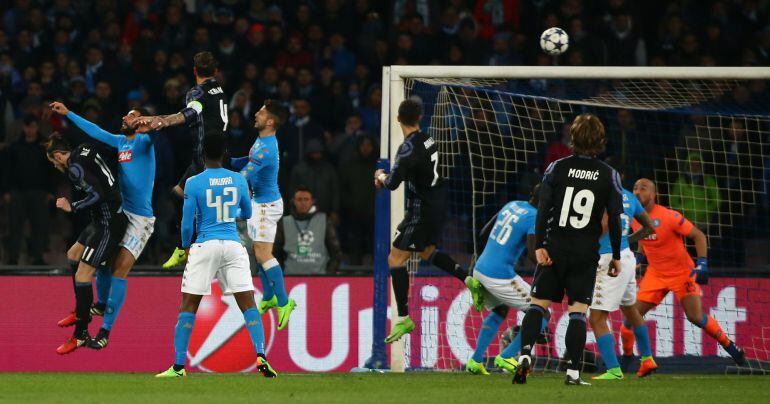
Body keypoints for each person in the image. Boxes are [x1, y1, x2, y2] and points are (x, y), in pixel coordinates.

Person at [513, 114, 623, 386]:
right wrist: (617, 255)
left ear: (573, 138)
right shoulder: (609, 175)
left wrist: (539, 245)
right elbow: (616, 219)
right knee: (577, 311)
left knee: (538, 305)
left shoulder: (556, 168)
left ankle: (525, 354)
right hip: (585, 253)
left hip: (554, 248)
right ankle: (573, 373)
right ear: (600, 141)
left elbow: (542, 209)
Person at [155, 134, 276, 378]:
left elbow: (187, 223)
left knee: (189, 304)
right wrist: (232, 211)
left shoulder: (193, 183)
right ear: (224, 154)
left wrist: (186, 246)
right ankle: (261, 355)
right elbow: (248, 211)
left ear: (202, 155)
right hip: (233, 244)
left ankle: (178, 367)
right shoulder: (238, 180)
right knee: (248, 303)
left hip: (205, 245)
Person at [374, 99, 483, 344]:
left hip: (422, 209)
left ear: (398, 118)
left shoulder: (407, 149)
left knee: (395, 259)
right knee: (426, 252)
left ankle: (403, 318)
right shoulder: (428, 138)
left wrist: (380, 175)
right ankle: (469, 280)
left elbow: (391, 184)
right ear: (420, 118)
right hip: (437, 203)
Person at [50, 101, 156, 350]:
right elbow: (95, 130)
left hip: (140, 219)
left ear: (141, 122)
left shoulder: (144, 142)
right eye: (126, 113)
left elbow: (155, 130)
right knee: (103, 261)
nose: (126, 116)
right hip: (120, 211)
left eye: (132, 116)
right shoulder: (121, 142)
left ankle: (105, 330)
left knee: (120, 269)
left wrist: (148, 124)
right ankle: (96, 305)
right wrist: (69, 114)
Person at [621, 178, 747, 367]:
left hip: (681, 273)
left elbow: (699, 236)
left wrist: (702, 263)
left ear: (654, 195)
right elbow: (643, 238)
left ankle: (731, 347)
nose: (638, 191)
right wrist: (639, 257)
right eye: (635, 188)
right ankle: (627, 360)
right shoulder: (634, 217)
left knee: (695, 317)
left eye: (643, 188)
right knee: (630, 318)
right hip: (655, 274)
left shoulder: (669, 216)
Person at [136, 51, 228, 269]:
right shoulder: (219, 90)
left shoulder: (197, 92)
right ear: (215, 72)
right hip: (219, 152)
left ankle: (188, 246)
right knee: (179, 193)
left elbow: (190, 112)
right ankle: (186, 244)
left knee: (185, 198)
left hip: (204, 156)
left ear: (194, 71)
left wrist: (165, 122)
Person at [45, 134, 127, 354]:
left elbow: (97, 194)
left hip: (109, 223)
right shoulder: (85, 148)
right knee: (72, 254)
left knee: (82, 275)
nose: (55, 166)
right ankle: (81, 310)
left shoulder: (74, 168)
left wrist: (73, 206)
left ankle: (80, 334)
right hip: (102, 219)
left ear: (59, 155)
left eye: (54, 162)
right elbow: (109, 158)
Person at [466, 184, 548, 375]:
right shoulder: (534, 217)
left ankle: (475, 361)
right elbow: (532, 252)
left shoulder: (512, 205)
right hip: (499, 274)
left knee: (500, 309)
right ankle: (507, 356)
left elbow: (484, 231)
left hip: (480, 268)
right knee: (541, 313)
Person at [588, 158, 656, 380]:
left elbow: (606, 225)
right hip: (626, 257)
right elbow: (649, 226)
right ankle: (647, 359)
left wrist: (586, 244)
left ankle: (613, 369)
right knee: (630, 309)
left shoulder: (602, 194)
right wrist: (628, 239)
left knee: (597, 316)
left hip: (609, 260)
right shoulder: (629, 196)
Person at [230, 100, 295, 330]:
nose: (255, 112)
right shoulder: (262, 141)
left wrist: (220, 179)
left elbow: (243, 177)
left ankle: (285, 302)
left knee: (263, 253)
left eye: (260, 111)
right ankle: (268, 296)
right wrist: (225, 160)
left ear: (270, 121)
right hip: (260, 203)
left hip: (267, 206)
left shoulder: (267, 149)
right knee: (258, 253)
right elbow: (246, 163)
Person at [4, 114, 52, 265]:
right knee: (15, 226)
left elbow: (52, 170)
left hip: (39, 192)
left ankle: (37, 257)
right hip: (17, 192)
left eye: (33, 126)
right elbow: (6, 170)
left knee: (39, 226)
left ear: (37, 127)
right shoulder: (14, 147)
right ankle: (13, 257)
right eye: (28, 126)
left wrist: (50, 191)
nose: (30, 130)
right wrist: (6, 191)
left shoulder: (45, 147)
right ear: (23, 128)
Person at [273, 186, 342, 275]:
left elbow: (336, 253)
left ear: (312, 201)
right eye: (299, 199)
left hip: (319, 279)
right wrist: (281, 274)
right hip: (290, 278)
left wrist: (328, 275)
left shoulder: (324, 221)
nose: (303, 203)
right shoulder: (284, 222)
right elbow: (276, 253)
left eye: (306, 199)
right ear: (293, 201)